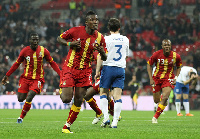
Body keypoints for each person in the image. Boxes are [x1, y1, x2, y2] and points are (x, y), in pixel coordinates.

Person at [57, 10, 107, 133]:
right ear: (86, 22)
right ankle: (62, 87)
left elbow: (105, 57)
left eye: (96, 20)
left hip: (85, 71)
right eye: (92, 20)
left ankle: (67, 126)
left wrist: (101, 52)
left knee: (79, 99)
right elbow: (59, 39)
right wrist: (70, 43)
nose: (95, 22)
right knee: (66, 99)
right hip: (70, 68)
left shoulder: (100, 37)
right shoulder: (75, 31)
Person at [1, 33, 61, 123]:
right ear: (30, 40)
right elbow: (16, 64)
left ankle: (21, 117)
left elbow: (52, 63)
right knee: (20, 98)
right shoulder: (25, 51)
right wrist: (7, 75)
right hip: (26, 78)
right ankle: (26, 105)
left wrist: (61, 74)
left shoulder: (43, 50)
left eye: (37, 39)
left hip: (38, 79)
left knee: (30, 96)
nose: (35, 41)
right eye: (33, 39)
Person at [95, 18, 129, 128]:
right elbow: (126, 55)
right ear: (119, 28)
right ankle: (115, 122)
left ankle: (106, 118)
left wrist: (97, 71)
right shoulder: (125, 39)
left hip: (108, 68)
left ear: (108, 28)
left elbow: (100, 56)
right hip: (120, 69)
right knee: (117, 96)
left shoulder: (106, 39)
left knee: (103, 93)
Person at [147, 39, 182, 124]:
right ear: (162, 46)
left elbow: (179, 66)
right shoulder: (156, 54)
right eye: (165, 45)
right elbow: (149, 64)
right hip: (157, 78)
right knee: (156, 100)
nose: (167, 47)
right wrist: (151, 78)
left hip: (168, 78)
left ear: (170, 46)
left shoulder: (175, 56)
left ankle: (155, 117)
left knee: (165, 97)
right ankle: (163, 103)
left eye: (168, 45)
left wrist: (176, 78)